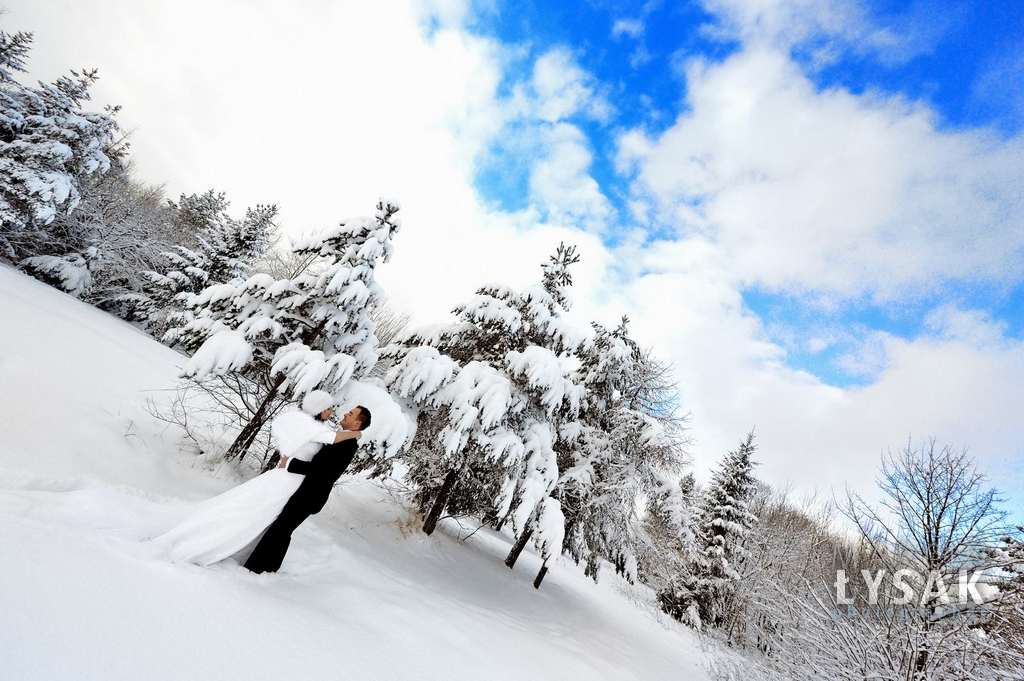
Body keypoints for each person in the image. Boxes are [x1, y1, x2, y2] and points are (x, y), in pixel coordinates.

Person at [139, 390, 363, 567]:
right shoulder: (318, 429)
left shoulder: (317, 427)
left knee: (266, 519)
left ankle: (257, 560)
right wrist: (357, 433)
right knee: (255, 512)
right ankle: (225, 548)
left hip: (293, 481)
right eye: (330, 408)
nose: (337, 411)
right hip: (287, 480)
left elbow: (321, 457)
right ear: (320, 409)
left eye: (348, 413)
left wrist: (292, 459)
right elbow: (329, 440)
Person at [244, 404, 371, 573]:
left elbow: (324, 471)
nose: (346, 414)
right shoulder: (341, 438)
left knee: (281, 529)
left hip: (310, 495)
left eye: (351, 414)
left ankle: (255, 569)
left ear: (357, 423)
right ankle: (267, 567)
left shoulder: (347, 445)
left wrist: (289, 463)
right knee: (281, 529)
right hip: (305, 492)